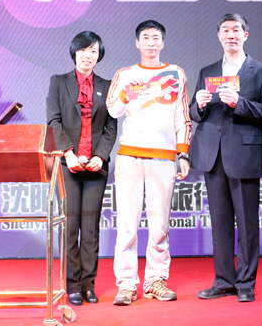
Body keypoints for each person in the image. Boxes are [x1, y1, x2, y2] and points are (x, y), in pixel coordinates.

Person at [190, 14, 262, 303]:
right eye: (226, 30)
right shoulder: (207, 71)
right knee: (220, 223)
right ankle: (224, 280)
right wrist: (199, 105)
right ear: (219, 36)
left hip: (244, 154)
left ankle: (246, 282)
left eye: (236, 30)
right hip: (212, 155)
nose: (231, 35)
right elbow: (193, 113)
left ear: (245, 35)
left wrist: (240, 104)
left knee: (247, 223)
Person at [107, 20, 192, 306]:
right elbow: (113, 110)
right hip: (129, 156)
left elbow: (182, 116)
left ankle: (155, 280)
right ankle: (126, 284)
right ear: (137, 42)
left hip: (163, 157)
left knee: (159, 224)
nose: (151, 43)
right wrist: (127, 92)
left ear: (163, 43)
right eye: (146, 38)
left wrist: (183, 153)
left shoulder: (176, 73)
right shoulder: (125, 74)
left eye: (156, 38)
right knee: (127, 224)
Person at [46, 31, 118, 306]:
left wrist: (100, 156)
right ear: (74, 52)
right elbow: (54, 121)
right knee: (70, 226)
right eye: (84, 50)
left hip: (96, 166)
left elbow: (111, 127)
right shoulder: (59, 82)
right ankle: (72, 285)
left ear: (99, 55)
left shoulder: (107, 85)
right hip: (68, 164)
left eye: (93, 51)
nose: (88, 55)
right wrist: (68, 152)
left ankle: (89, 285)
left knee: (90, 227)